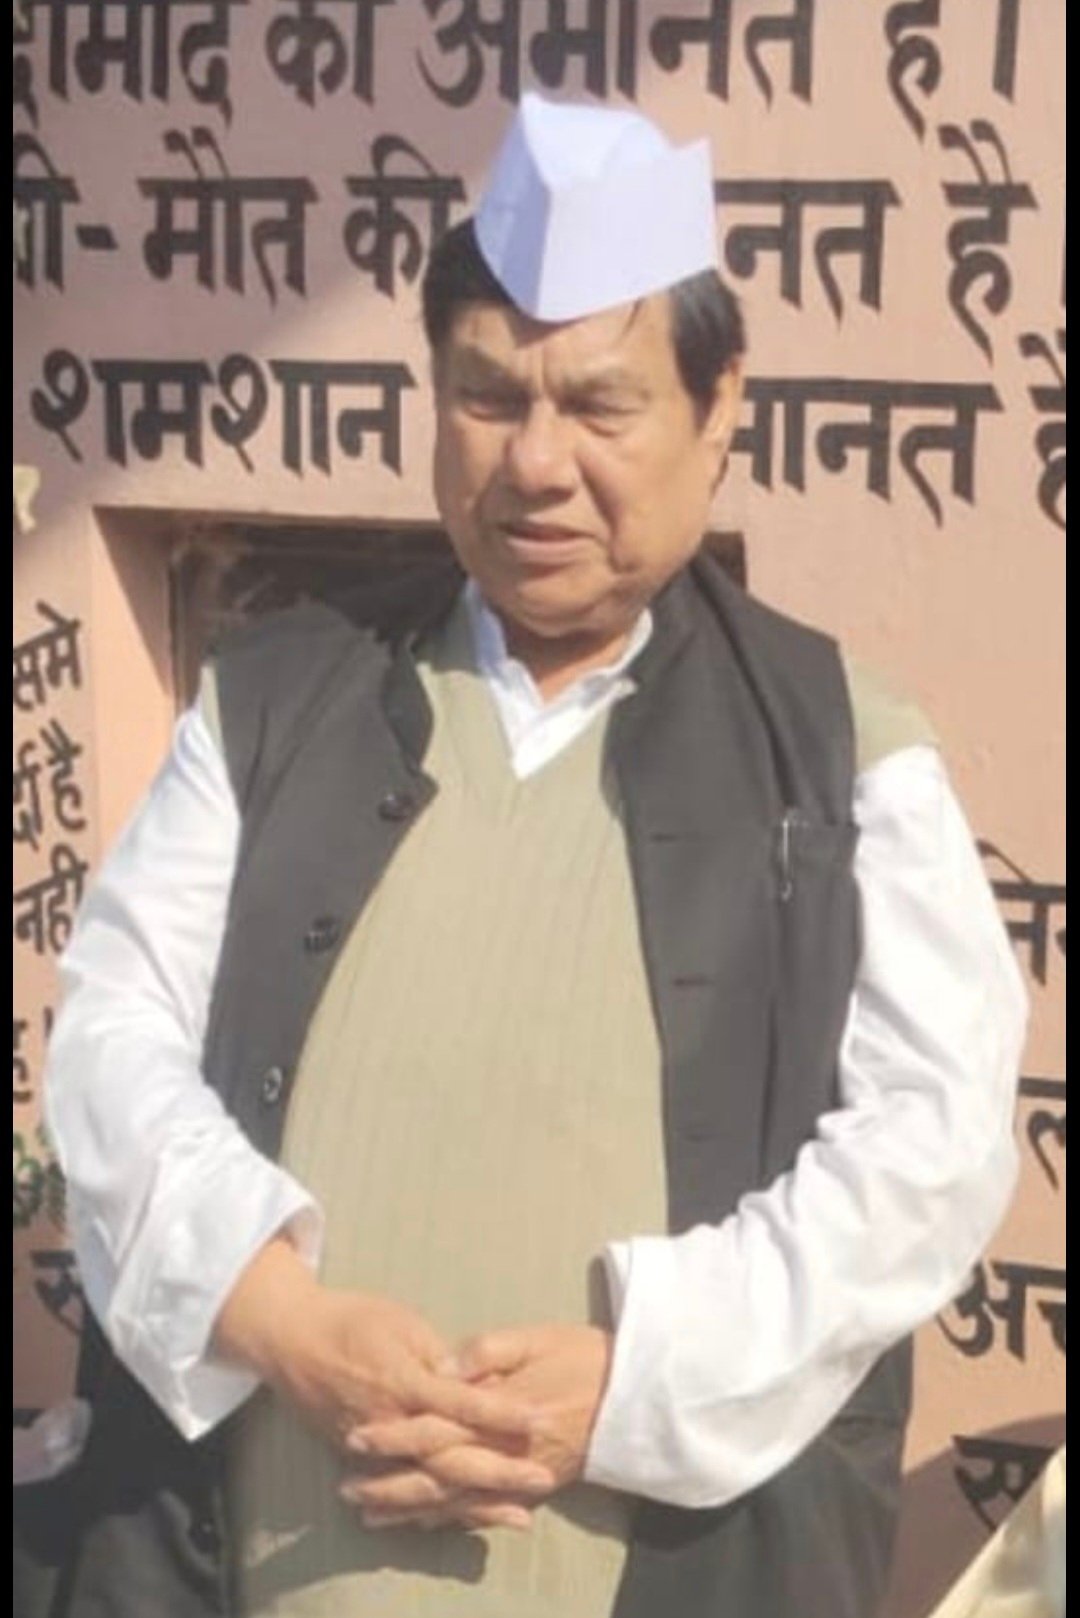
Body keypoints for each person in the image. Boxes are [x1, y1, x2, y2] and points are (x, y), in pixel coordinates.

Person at [44, 95, 1026, 1618]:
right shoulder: (271, 702)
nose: (537, 464)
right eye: (488, 397)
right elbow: (114, 1035)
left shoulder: (846, 753)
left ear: (719, 409)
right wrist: (280, 1320)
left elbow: (929, 1149)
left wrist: (631, 1381)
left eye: (600, 406)